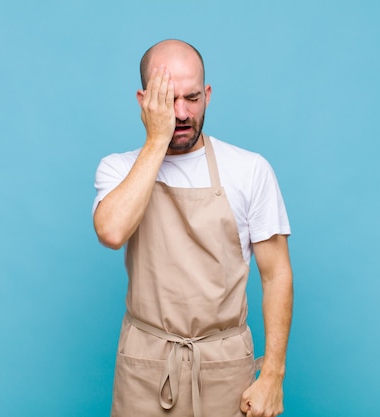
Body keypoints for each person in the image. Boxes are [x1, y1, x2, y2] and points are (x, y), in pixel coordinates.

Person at [92, 39, 293, 417]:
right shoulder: (118, 169)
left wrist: (274, 375)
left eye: (192, 97)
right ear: (143, 100)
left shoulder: (250, 170)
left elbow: (276, 274)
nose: (182, 112)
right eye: (168, 99)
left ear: (209, 95)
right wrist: (156, 140)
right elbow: (112, 232)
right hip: (146, 367)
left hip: (225, 366)